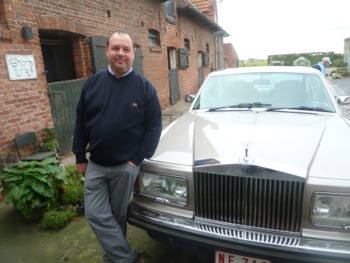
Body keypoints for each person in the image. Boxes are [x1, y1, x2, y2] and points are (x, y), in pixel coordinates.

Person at [72, 30, 162, 263]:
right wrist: (80, 156)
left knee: (116, 216)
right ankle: (127, 257)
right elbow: (81, 122)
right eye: (115, 48)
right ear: (107, 51)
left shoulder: (145, 88)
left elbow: (153, 128)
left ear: (133, 53)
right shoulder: (92, 84)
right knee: (95, 214)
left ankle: (113, 259)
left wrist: (136, 160)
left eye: (126, 49)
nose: (120, 54)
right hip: (96, 165)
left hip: (125, 166)